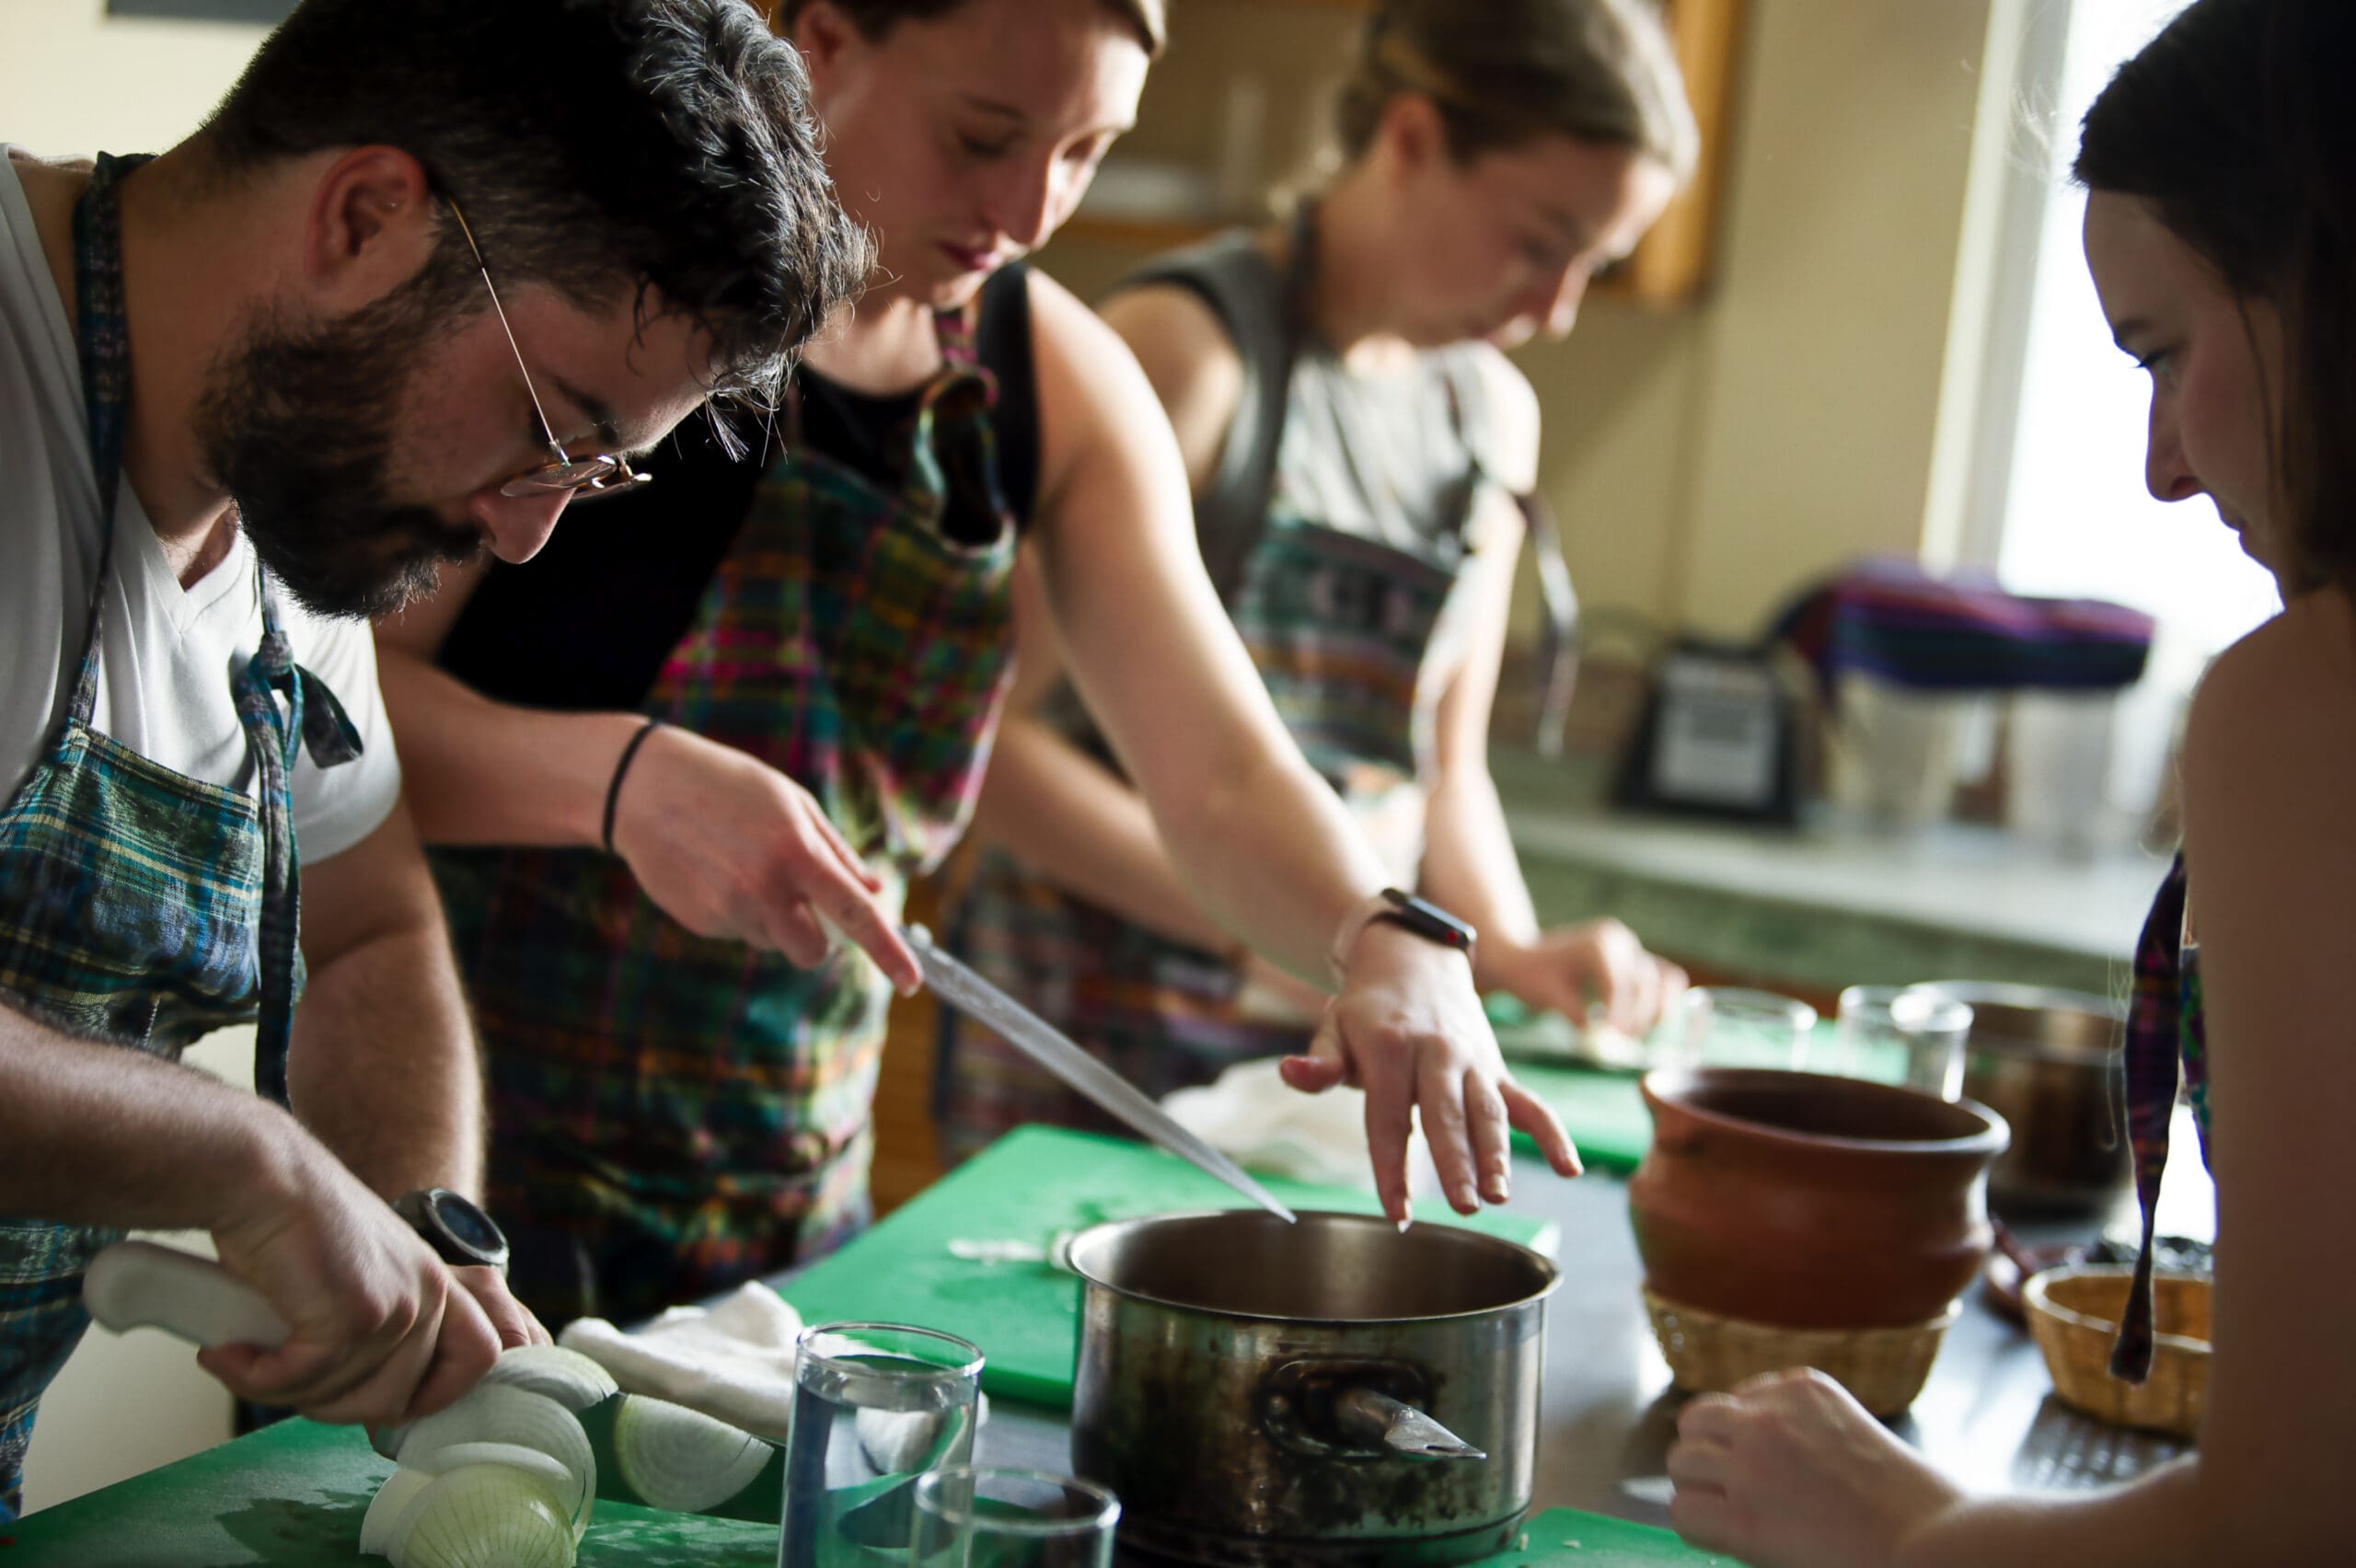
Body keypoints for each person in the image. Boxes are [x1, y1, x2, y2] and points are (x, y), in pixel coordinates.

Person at [375, 0, 1586, 1332]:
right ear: (820, 40)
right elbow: (328, 715)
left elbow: (1225, 777)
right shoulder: (599, 299)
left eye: (1085, 152)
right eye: (985, 135)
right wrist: (615, 782)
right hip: (460, 1170)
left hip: (791, 1203)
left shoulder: (1053, 379)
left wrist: (1388, 937)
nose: (1028, 209)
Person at [0, 0, 863, 1515]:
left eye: (595, 475)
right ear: (365, 215)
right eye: (551, 427)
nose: (528, 529)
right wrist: (248, 1161)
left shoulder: (292, 499)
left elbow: (374, 934)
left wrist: (425, 1232)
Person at [1663, 2, 2353, 1562]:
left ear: (2322, 273)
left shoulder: (2308, 708)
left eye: (2167, 354)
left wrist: (1909, 1523)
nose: (2165, 464)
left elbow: (2299, 1514)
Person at [935, 0, 1696, 1161]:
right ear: (1410, 139)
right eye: (1539, 241)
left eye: (1594, 263)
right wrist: (1299, 926)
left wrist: (1495, 952)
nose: (1556, 311)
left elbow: (1441, 767)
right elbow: (984, 739)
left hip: (1328, 1029)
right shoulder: (1188, 354)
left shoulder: (1489, 416)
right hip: (1093, 1040)